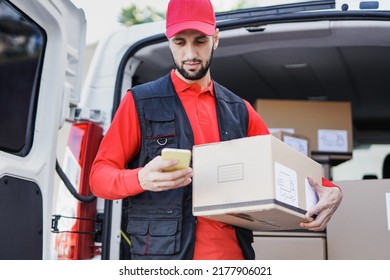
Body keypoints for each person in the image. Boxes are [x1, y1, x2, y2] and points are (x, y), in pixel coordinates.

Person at [89, 0, 342, 260]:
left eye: (200, 41)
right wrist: (140, 179)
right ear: (169, 41)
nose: (190, 54)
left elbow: (281, 168)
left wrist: (332, 190)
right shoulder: (140, 102)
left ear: (216, 38)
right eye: (179, 42)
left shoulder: (240, 110)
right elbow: (98, 178)